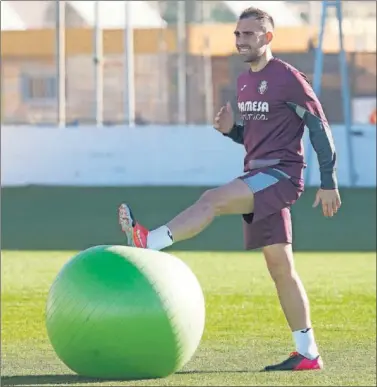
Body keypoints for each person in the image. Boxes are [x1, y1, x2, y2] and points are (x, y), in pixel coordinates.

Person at [118, 7, 341, 372]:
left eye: (250, 34)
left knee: (212, 200)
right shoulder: (242, 82)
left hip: (281, 176)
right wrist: (231, 131)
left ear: (268, 38)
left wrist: (329, 181)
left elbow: (318, 126)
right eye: (238, 34)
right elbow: (256, 139)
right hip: (258, 175)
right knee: (280, 267)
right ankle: (308, 353)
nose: (241, 41)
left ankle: (150, 241)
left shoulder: (287, 77)